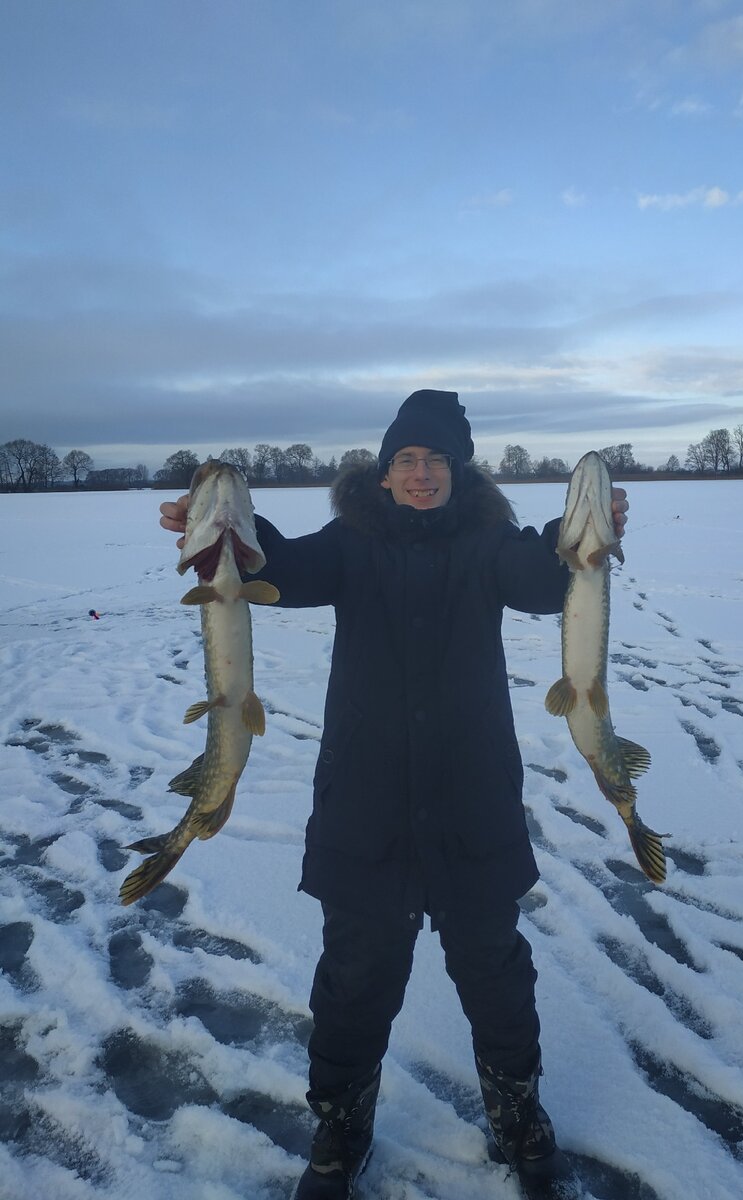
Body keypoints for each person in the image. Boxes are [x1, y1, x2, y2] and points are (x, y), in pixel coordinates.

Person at [160, 391, 628, 1200]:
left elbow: (544, 579)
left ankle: (518, 1111)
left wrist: (583, 536)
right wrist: (220, 532)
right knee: (354, 978)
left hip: (471, 800)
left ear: (458, 472)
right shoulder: (352, 544)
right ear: (383, 475)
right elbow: (284, 565)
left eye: (436, 459)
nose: (420, 474)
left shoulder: (487, 543)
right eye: (406, 460)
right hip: (365, 805)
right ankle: (340, 1127)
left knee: (496, 973)